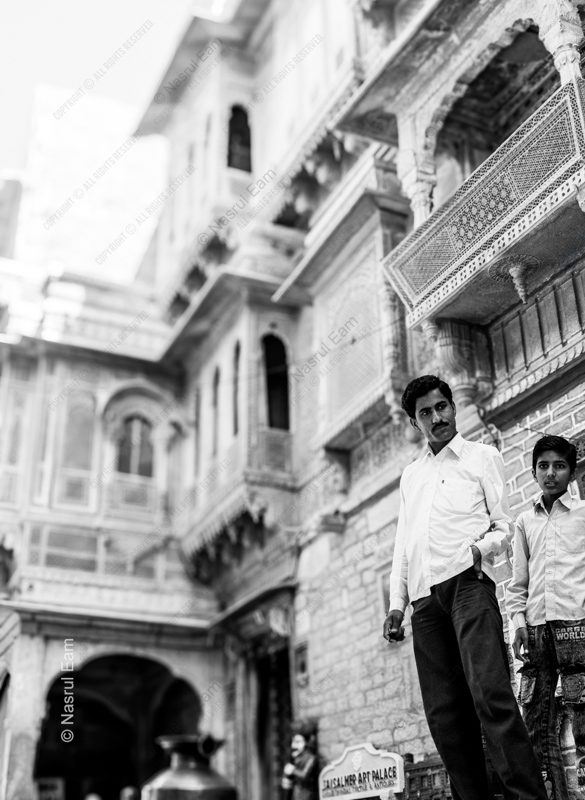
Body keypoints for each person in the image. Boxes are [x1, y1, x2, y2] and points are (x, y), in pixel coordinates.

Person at [383, 374, 547, 800]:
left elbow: (504, 525)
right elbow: (404, 544)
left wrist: (479, 551)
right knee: (444, 716)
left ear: (453, 407)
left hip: (469, 588)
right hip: (424, 603)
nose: (436, 417)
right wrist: (396, 604)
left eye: (441, 407)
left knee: (490, 695)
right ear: (415, 423)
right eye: (425, 413)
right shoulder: (411, 476)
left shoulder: (482, 457)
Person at [507, 434, 585, 800]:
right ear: (534, 471)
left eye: (559, 466)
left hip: (576, 629)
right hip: (536, 632)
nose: (550, 473)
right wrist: (519, 624)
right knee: (536, 721)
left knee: (580, 717)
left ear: (571, 472)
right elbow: (517, 582)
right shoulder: (525, 522)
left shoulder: (583, 514)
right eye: (543, 466)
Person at [281, 720, 318, 800]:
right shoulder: (295, 758)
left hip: (307, 794)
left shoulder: (311, 758)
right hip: (296, 793)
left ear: (306, 743)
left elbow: (304, 775)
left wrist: (293, 770)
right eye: (293, 742)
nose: (293, 745)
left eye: (297, 742)